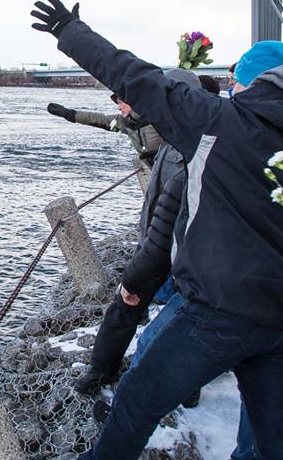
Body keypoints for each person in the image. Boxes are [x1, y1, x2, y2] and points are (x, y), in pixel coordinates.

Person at [29, 0, 283, 460]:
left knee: (136, 404)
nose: (231, 87)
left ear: (250, 82)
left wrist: (69, 31)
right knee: (277, 447)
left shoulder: (217, 120)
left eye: (236, 80)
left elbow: (136, 77)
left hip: (217, 312)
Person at [73, 69, 201, 397]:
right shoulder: (167, 137)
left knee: (186, 315)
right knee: (125, 304)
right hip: (156, 240)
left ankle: (188, 383)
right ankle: (101, 368)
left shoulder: (199, 145)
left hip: (187, 250)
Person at [47, 97, 161, 166]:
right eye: (118, 103)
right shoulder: (125, 122)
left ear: (132, 102)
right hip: (157, 173)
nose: (119, 107)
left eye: (121, 102)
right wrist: (69, 114)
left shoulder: (156, 117)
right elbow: (100, 119)